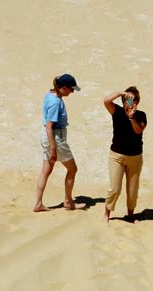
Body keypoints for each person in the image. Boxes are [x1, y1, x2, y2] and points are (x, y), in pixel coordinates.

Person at [34, 74, 86, 212]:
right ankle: (69, 202)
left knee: (46, 171)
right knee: (72, 169)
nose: (72, 92)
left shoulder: (50, 94)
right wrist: (53, 149)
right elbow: (49, 126)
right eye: (71, 89)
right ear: (63, 88)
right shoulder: (56, 102)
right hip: (55, 138)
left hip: (47, 137)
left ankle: (38, 203)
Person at [103, 86, 147, 223]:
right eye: (127, 100)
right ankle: (107, 213)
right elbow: (106, 101)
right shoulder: (116, 111)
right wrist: (120, 93)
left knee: (133, 189)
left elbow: (138, 130)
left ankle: (130, 215)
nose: (130, 103)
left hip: (135, 157)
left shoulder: (141, 115)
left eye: (133, 100)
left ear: (138, 101)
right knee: (114, 188)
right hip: (116, 156)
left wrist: (131, 117)